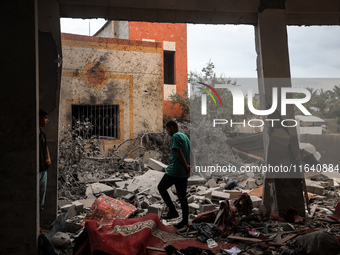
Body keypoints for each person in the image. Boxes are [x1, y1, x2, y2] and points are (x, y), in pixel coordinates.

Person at [157, 120, 191, 229]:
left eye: (167, 129)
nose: (167, 132)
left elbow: (179, 152)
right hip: (183, 172)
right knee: (182, 197)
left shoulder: (176, 136)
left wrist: (185, 165)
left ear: (172, 128)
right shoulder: (185, 137)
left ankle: (173, 212)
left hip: (175, 170)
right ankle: (185, 221)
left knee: (161, 187)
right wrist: (189, 167)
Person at [39, 109, 51, 211]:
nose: (47, 120)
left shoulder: (42, 134)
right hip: (36, 170)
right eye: (45, 118)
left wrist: (48, 157)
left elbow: (45, 146)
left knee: (41, 196)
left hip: (43, 169)